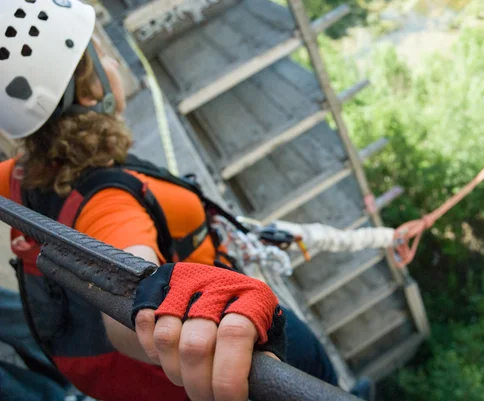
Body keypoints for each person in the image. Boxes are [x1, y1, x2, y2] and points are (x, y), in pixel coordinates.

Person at [0, 1, 343, 400]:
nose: (112, 62)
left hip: (90, 355)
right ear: (93, 91)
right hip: (220, 331)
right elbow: (126, 301)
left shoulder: (20, 175)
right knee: (314, 364)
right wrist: (166, 307)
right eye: (102, 53)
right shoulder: (109, 201)